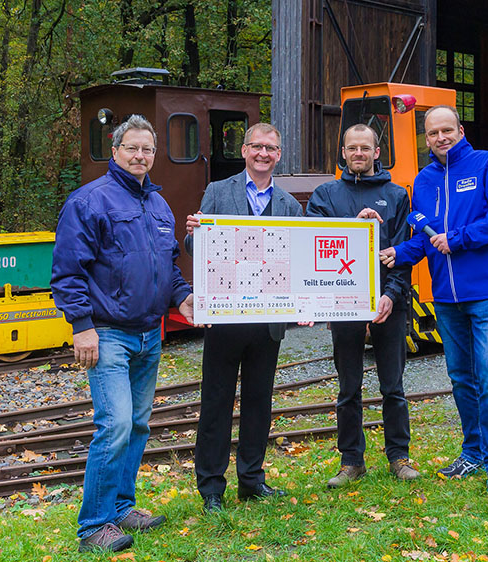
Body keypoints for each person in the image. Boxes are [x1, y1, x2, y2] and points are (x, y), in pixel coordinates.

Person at [52, 115, 195, 552]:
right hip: (108, 334)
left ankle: (121, 507)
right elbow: (67, 271)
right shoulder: (89, 201)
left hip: (150, 333)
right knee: (113, 425)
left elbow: (166, 267)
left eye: (147, 149)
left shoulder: (157, 205)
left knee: (135, 425)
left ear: (154, 154)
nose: (140, 156)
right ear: (114, 151)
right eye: (131, 148)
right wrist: (82, 327)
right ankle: (93, 526)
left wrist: (183, 297)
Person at [379, 106, 488, 492]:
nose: (440, 138)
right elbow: (424, 236)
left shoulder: (487, 164)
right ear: (425, 138)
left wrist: (458, 238)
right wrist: (400, 254)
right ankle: (473, 453)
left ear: (460, 129)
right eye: (432, 133)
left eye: (446, 130)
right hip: (446, 297)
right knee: (461, 378)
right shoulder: (423, 181)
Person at [184, 123, 302, 512]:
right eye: (257, 147)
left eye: (271, 148)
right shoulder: (219, 192)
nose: (263, 153)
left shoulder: (289, 205)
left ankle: (251, 480)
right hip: (225, 318)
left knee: (258, 402)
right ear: (244, 150)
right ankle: (212, 488)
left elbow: (298, 262)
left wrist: (304, 305)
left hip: (268, 323)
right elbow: (196, 246)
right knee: (216, 402)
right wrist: (194, 233)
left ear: (279, 155)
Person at [306, 124, 418, 487]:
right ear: (343, 153)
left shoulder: (396, 195)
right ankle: (351, 460)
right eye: (352, 148)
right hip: (343, 305)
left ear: (376, 153)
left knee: (393, 386)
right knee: (348, 387)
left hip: (389, 302)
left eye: (365, 148)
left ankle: (398, 457)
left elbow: (404, 254)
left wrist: (391, 295)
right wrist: (350, 227)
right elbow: (312, 242)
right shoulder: (325, 195)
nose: (358, 153)